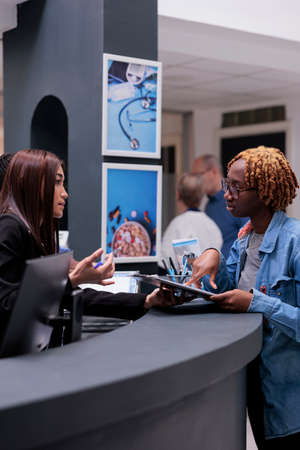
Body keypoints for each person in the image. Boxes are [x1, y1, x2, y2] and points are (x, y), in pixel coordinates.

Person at [0, 149, 177, 342]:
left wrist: (146, 301)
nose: (65, 194)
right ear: (33, 183)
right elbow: (7, 305)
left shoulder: (34, 234)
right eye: (57, 182)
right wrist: (71, 281)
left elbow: (75, 297)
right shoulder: (9, 228)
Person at [188, 146, 300, 448]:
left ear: (264, 192)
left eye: (237, 187)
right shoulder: (244, 242)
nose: (227, 194)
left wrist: (255, 303)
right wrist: (213, 256)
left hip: (289, 396)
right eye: (227, 185)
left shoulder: (295, 242)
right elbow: (226, 291)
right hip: (255, 384)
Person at [160, 173, 222, 267]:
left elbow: (164, 261)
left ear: (177, 195)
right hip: (209, 280)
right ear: (201, 196)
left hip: (181, 281)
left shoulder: (176, 225)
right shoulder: (212, 226)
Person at [192, 154, 248, 259]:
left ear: (213, 171)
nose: (196, 182)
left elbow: (250, 240)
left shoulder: (236, 199)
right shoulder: (209, 205)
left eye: (198, 176)